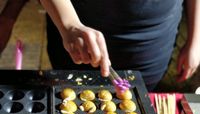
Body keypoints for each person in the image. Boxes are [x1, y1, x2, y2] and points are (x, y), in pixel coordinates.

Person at [1, 0, 200, 91]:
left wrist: (196, 39)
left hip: (152, 41)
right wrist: (69, 23)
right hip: (77, 35)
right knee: (70, 95)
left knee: (137, 97)